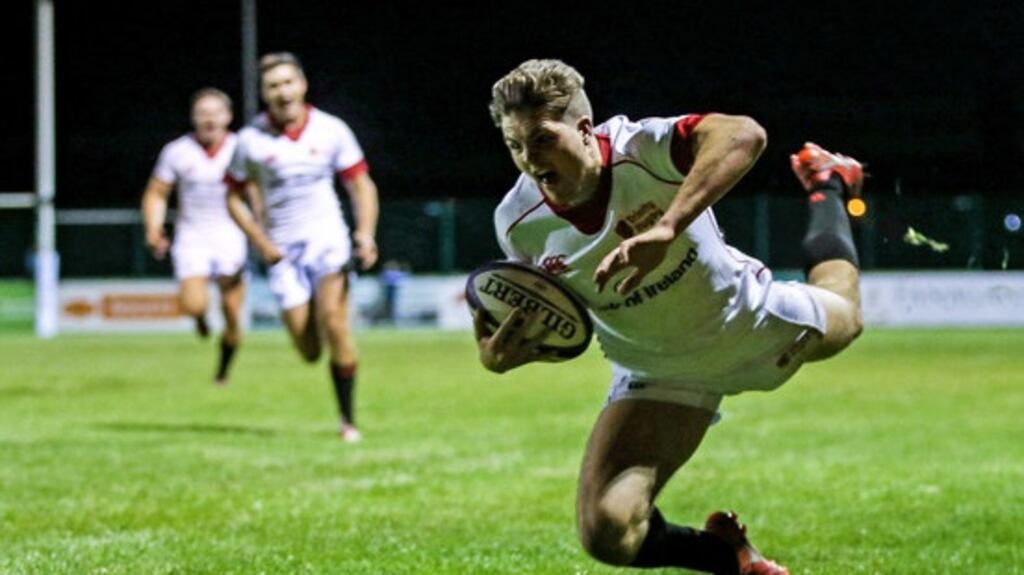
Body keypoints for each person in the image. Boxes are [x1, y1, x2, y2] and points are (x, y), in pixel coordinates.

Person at [475, 59, 865, 575]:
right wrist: (494, 355)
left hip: (750, 324)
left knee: (846, 309)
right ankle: (729, 557)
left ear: (585, 130)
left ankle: (828, 183)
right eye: (514, 145)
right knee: (607, 532)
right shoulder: (518, 223)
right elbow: (520, 308)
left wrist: (667, 227)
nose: (528, 158)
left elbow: (744, 135)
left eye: (542, 139)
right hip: (657, 375)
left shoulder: (643, 149)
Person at [225, 52, 380, 443]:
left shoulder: (332, 130)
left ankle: (348, 420)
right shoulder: (249, 141)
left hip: (328, 241)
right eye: (273, 85)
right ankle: (315, 326)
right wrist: (261, 242)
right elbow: (232, 197)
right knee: (309, 350)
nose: (282, 91)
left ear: (303, 85)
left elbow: (360, 185)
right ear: (264, 94)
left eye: (288, 82)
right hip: (283, 253)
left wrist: (365, 232)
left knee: (335, 323)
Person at [142, 87, 247, 385]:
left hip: (231, 232)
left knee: (231, 311)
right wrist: (154, 228)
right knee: (193, 304)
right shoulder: (177, 151)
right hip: (192, 235)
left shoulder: (241, 148)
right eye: (203, 113)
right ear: (193, 118)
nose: (209, 119)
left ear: (228, 116)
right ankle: (200, 318)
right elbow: (157, 193)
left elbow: (258, 191)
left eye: (215, 113)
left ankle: (223, 371)